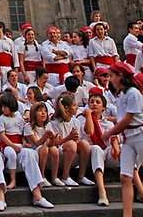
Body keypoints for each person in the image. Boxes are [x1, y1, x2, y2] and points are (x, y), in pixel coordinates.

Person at [0, 92, 54, 208]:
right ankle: (13, 179)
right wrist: (13, 145)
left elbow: (22, 133)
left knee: (30, 153)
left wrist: (24, 142)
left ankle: (37, 194)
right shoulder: (2, 119)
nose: (4, 109)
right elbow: (2, 135)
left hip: (19, 144)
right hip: (9, 145)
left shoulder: (18, 116)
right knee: (12, 153)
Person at [102, 62, 143, 217]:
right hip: (127, 138)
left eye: (111, 76)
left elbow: (128, 118)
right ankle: (127, 214)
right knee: (125, 177)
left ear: (121, 76)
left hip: (139, 135)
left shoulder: (133, 92)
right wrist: (114, 136)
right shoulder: (121, 94)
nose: (110, 79)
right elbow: (121, 118)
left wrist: (109, 133)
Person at [79, 90, 120, 205]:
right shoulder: (82, 118)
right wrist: (88, 115)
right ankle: (102, 192)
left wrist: (114, 146)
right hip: (90, 154)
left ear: (103, 108)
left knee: (126, 147)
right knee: (96, 148)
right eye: (92, 102)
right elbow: (90, 131)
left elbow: (114, 137)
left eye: (98, 102)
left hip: (106, 152)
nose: (94, 104)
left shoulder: (107, 122)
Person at [49, 93, 93, 186]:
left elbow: (77, 141)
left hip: (72, 150)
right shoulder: (55, 122)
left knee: (85, 144)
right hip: (60, 152)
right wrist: (69, 138)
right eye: (74, 105)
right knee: (71, 144)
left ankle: (81, 176)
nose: (77, 107)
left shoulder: (75, 121)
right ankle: (65, 176)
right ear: (66, 108)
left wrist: (76, 139)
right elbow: (56, 143)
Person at [23, 101, 60, 186]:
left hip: (45, 148)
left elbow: (50, 144)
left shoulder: (48, 125)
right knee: (44, 148)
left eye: (45, 111)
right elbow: (36, 143)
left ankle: (54, 177)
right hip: (34, 150)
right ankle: (42, 176)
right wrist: (45, 136)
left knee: (54, 149)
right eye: (40, 110)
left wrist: (52, 139)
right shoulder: (29, 126)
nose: (43, 113)